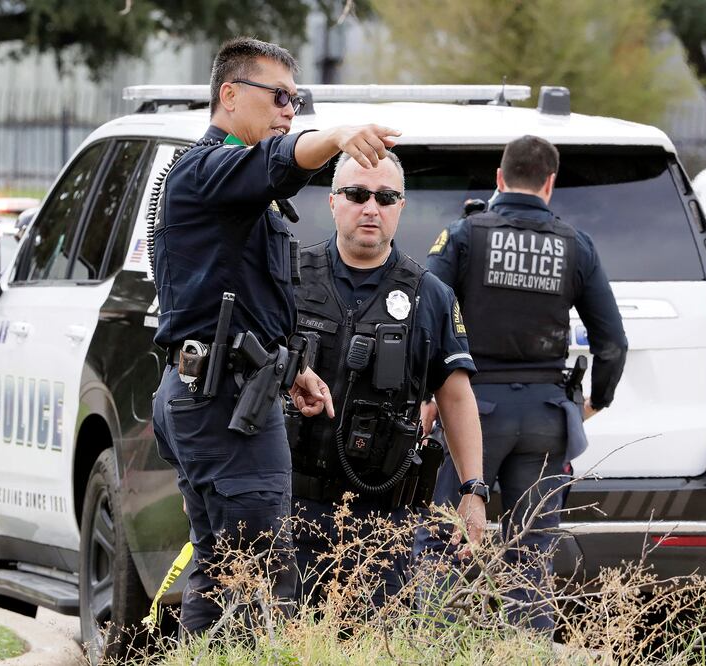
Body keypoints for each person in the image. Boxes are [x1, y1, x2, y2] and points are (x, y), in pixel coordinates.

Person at [150, 36, 401, 636]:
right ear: (229, 95)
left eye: (299, 99)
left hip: (232, 390)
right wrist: (337, 137)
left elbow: (242, 300)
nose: (291, 110)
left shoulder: (232, 193)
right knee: (260, 576)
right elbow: (281, 162)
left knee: (227, 567)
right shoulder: (206, 169)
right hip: (222, 402)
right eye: (281, 96)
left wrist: (293, 369)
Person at [416, 135, 628, 631]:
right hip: (543, 418)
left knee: (447, 542)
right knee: (531, 556)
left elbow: (425, 314)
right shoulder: (575, 245)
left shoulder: (464, 236)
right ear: (550, 184)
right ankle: (527, 653)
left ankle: (431, 649)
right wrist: (598, 399)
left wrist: (428, 397)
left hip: (471, 410)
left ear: (498, 178)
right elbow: (613, 342)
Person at [287, 151, 487, 611]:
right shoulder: (290, 278)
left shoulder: (430, 295)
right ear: (333, 202)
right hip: (289, 510)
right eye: (357, 195)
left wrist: (473, 490)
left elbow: (456, 398)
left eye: (385, 197)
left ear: (402, 207)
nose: (370, 208)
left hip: (382, 524)